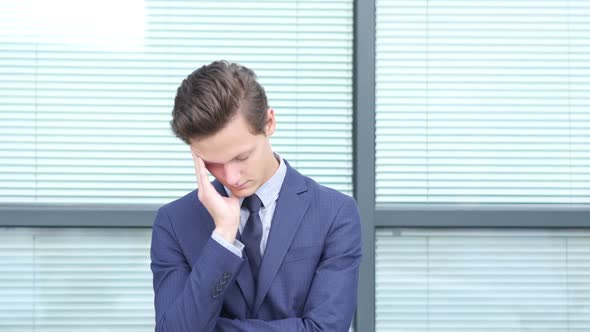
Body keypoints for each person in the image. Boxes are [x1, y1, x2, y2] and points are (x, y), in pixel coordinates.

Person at [150, 60, 362, 331]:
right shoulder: (174, 221)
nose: (232, 176)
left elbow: (325, 329)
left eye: (241, 157)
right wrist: (223, 237)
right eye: (213, 163)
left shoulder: (334, 213)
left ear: (269, 122)